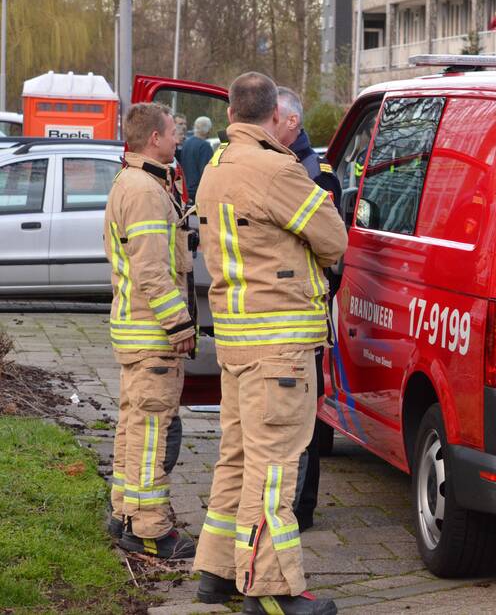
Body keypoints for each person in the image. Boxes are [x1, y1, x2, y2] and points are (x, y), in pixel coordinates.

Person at [192, 72, 346, 615]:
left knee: (234, 460)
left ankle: (216, 571)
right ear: (271, 113)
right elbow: (333, 238)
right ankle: (271, 590)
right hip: (278, 343)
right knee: (274, 466)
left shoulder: (215, 166)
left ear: (232, 110)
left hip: (236, 340)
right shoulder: (277, 168)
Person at [105, 102, 197, 560]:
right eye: (172, 131)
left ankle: (124, 512)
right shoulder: (144, 190)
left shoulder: (137, 180)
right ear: (154, 139)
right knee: (150, 436)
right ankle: (148, 529)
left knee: (132, 428)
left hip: (135, 331)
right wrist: (178, 322)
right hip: (151, 335)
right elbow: (151, 271)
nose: (178, 138)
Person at [275, 86, 345, 534]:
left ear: (293, 123)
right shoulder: (278, 167)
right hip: (282, 312)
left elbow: (332, 254)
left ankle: (302, 506)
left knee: (305, 419)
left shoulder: (315, 174)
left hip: (304, 310)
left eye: (273, 119)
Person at [179, 116, 215, 202]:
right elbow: (206, 172)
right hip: (198, 193)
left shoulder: (186, 143)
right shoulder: (205, 146)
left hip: (185, 191)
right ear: (207, 130)